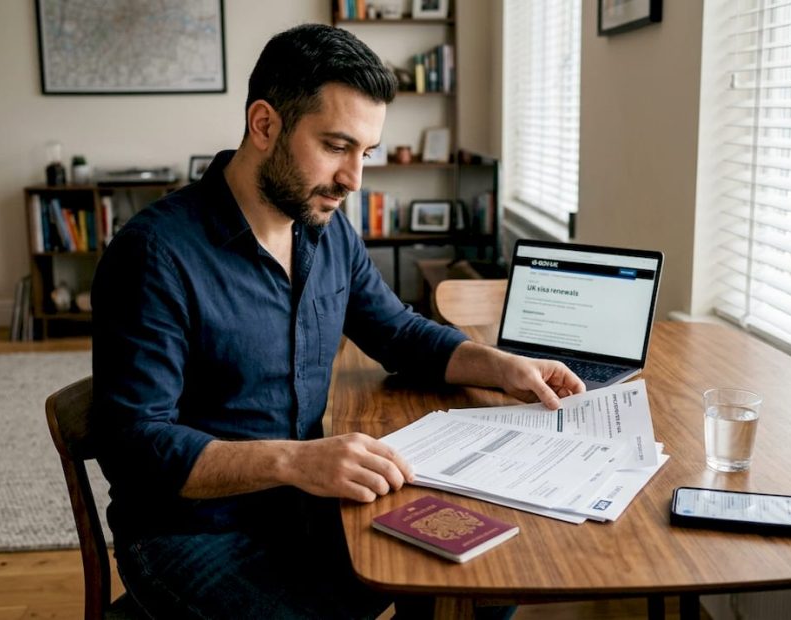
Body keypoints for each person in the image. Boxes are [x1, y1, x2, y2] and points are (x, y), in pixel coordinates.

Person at [92, 23, 585, 619]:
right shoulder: (155, 254)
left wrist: (500, 365)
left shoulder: (325, 229)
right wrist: (297, 461)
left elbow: (396, 331)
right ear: (265, 124)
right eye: (336, 146)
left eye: (366, 153)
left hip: (308, 504)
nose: (354, 179)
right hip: (193, 535)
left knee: (486, 582)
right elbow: (135, 448)